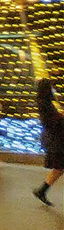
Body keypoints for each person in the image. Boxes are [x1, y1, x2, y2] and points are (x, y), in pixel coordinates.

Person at [33, 78, 64, 207]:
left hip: (55, 139)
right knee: (59, 167)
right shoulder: (45, 104)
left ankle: (42, 190)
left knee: (59, 168)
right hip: (57, 140)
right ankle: (42, 190)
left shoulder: (43, 102)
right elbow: (52, 121)